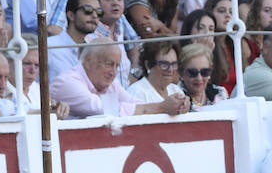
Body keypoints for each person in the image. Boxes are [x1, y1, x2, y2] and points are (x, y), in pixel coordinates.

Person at [53, 39, 188, 117]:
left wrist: (178, 104)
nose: (113, 72)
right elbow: (101, 109)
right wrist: (162, 107)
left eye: (117, 66)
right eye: (109, 64)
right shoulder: (68, 82)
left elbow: (134, 102)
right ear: (88, 61)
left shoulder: (110, 83)